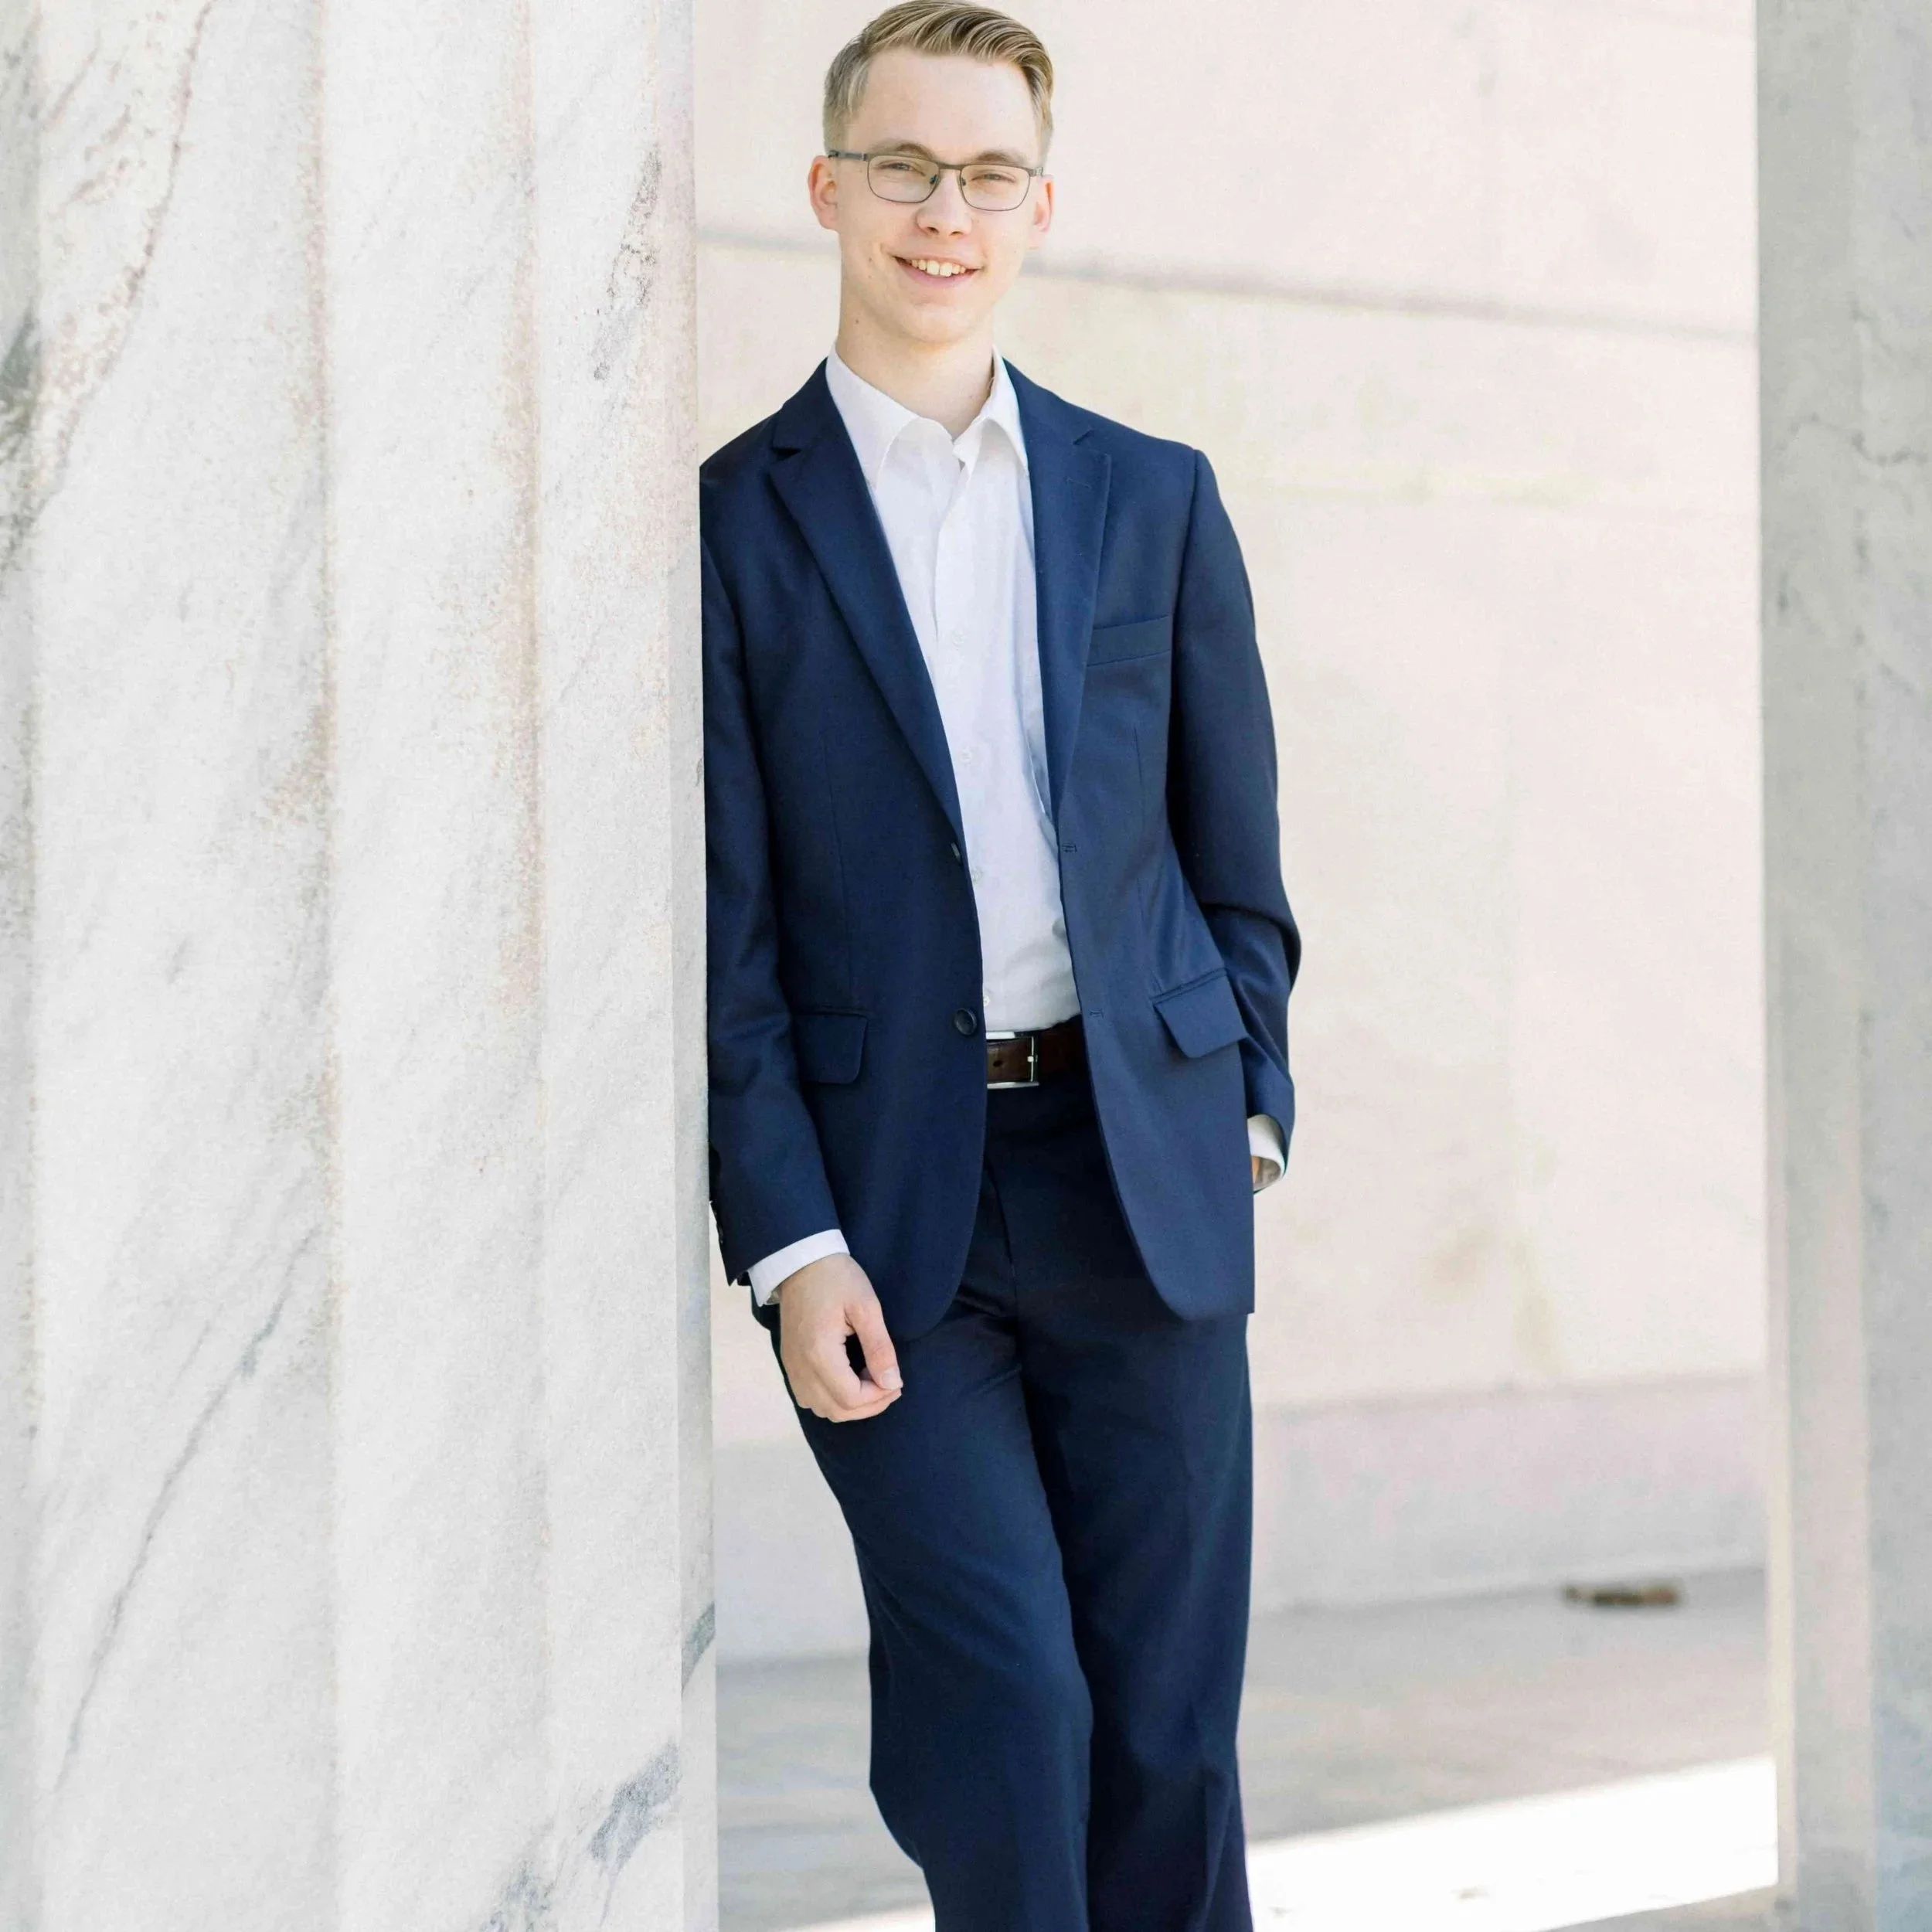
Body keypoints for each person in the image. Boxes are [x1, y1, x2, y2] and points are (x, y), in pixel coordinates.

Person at [700, 5, 1298, 1925]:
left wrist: (1251, 1107)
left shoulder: (1152, 495)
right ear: (825, 187)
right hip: (897, 1216)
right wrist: (789, 1245)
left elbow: (1235, 858)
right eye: (900, 164)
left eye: (982, 175)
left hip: (1144, 1179)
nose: (939, 210)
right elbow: (722, 927)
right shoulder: (727, 524)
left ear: (1038, 207)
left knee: (1164, 1726)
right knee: (1003, 1702)